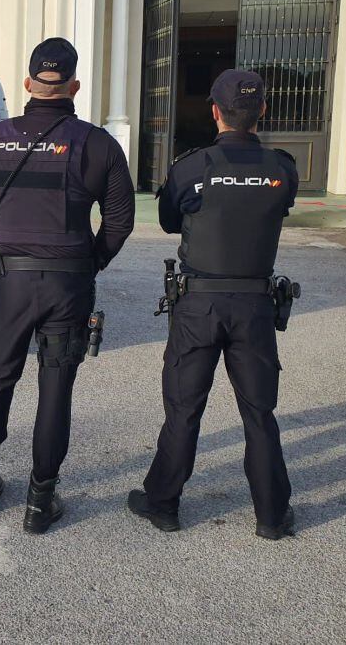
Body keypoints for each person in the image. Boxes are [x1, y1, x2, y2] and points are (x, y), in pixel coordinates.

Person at [0, 37, 135, 534]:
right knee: (55, 389)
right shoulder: (97, 143)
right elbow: (120, 220)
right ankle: (40, 502)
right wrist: (90, 263)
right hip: (68, 285)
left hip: (10, 284)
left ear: (27, 84)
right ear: (74, 86)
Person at [128, 69, 299, 541]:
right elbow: (279, 208)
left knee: (184, 410)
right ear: (262, 111)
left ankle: (163, 504)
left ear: (214, 112)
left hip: (198, 306)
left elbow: (167, 221)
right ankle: (271, 515)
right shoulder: (282, 168)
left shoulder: (191, 166)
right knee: (259, 412)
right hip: (255, 306)